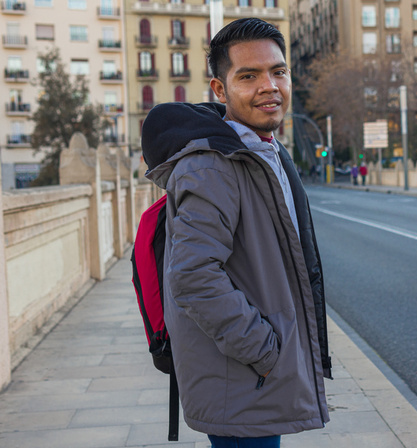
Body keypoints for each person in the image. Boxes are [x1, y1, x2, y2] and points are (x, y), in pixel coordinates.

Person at [141, 18, 331, 448]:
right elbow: (192, 277)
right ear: (220, 90)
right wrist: (267, 352)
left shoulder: (264, 151)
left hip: (251, 381)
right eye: (249, 76)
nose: (269, 85)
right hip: (243, 381)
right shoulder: (213, 166)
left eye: (278, 71)